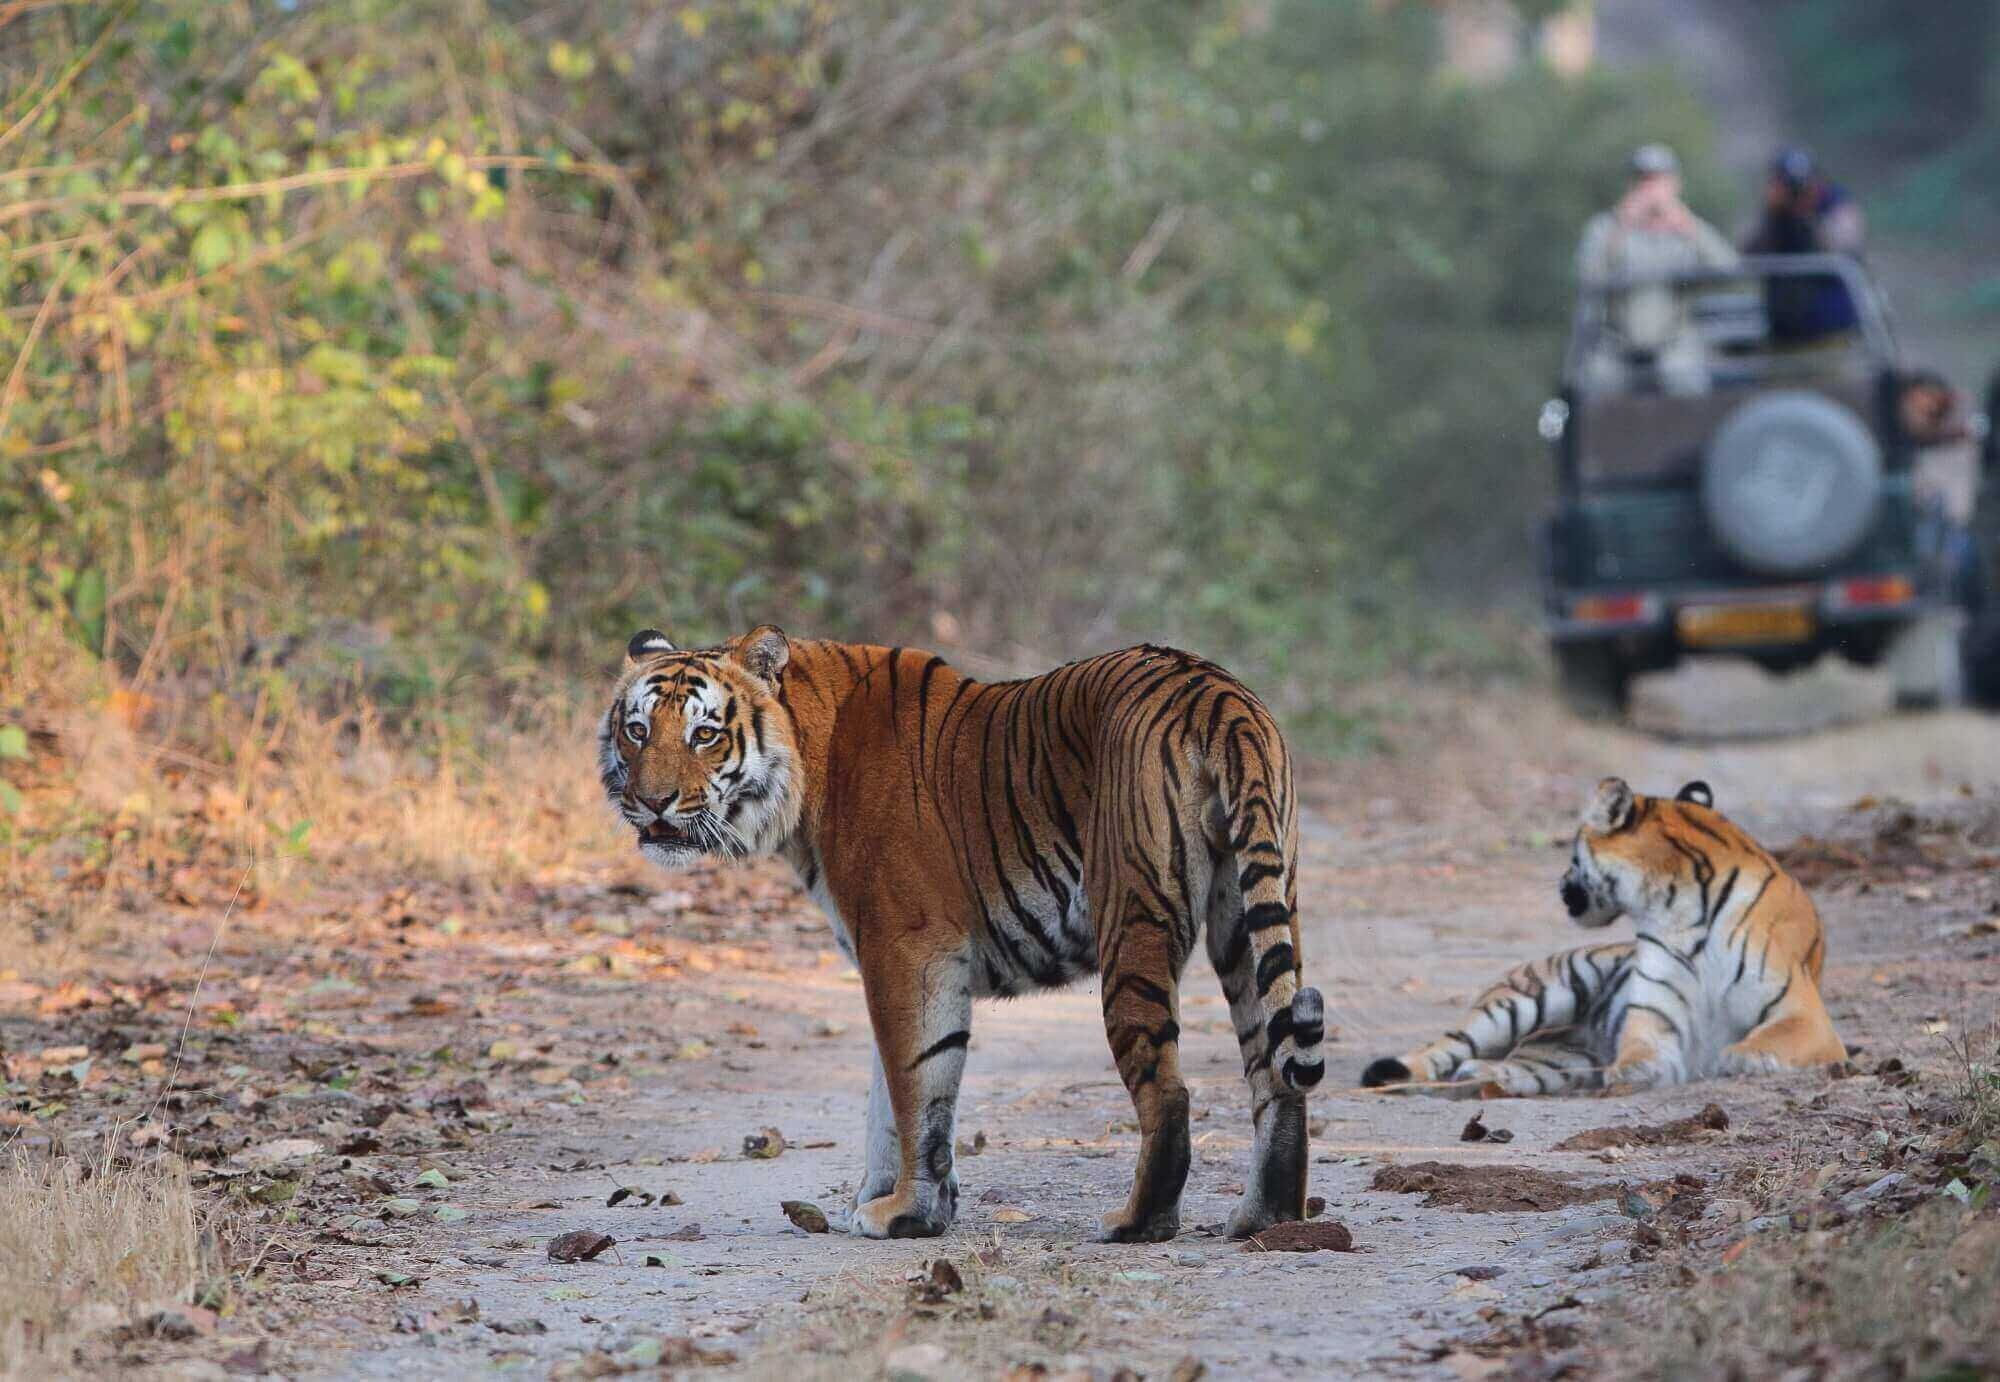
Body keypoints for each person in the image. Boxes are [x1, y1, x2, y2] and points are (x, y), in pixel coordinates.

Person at [1575, 144, 1740, 395]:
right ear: (1631, 186)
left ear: (1675, 185)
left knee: (1686, 386)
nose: (1650, 189)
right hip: (1616, 345)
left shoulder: (1688, 229)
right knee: (1593, 390)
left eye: (1658, 180)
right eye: (1643, 180)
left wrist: (1689, 227)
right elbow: (1588, 277)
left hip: (1673, 343)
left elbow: (1729, 269)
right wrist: (1621, 227)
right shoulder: (1605, 228)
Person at [1746, 147, 1864, 340]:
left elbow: (1842, 245)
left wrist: (1806, 214)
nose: (1797, 191)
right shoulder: (1776, 214)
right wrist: (1772, 213)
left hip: (1835, 330)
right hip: (1785, 331)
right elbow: (1749, 256)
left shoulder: (1835, 202)